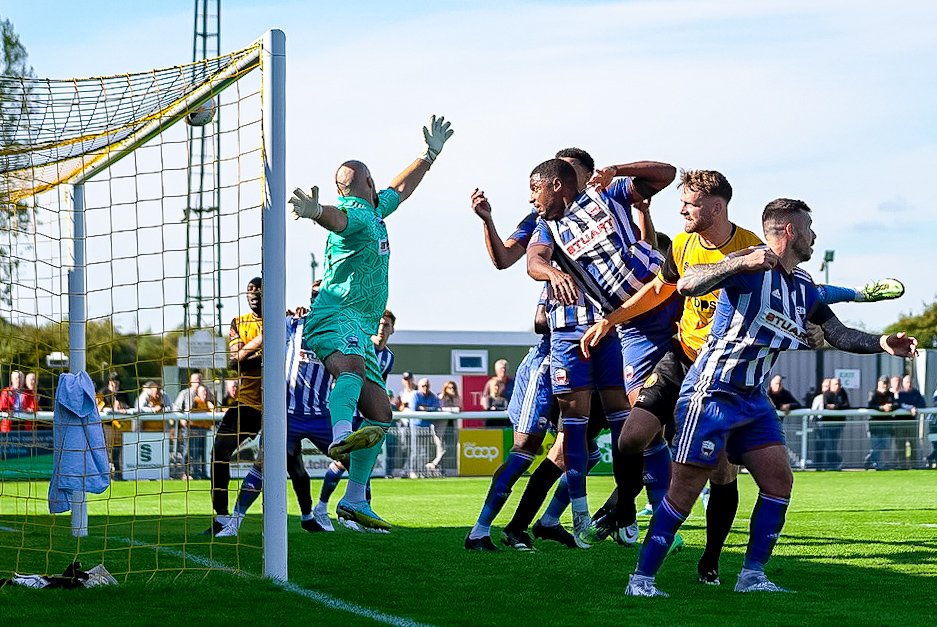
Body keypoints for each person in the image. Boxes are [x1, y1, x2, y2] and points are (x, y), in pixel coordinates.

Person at [624, 198, 917, 597]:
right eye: (810, 229)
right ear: (792, 231)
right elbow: (689, 282)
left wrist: (884, 342)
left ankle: (752, 576)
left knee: (779, 482)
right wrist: (736, 263)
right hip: (711, 392)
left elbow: (838, 333)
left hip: (753, 398)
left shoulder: (802, 286)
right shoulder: (750, 265)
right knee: (685, 490)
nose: (815, 237)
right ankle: (641, 580)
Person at [289, 114, 453, 531]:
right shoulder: (354, 212)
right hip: (335, 314)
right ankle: (341, 431)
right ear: (361, 183)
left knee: (381, 414)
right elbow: (336, 218)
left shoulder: (375, 208)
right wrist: (314, 211)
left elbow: (401, 188)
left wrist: (428, 155)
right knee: (352, 371)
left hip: (359, 326)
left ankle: (356, 498)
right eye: (369, 176)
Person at [525, 155, 675, 543]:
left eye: (534, 188)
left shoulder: (606, 193)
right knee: (634, 428)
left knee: (641, 427)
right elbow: (531, 261)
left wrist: (619, 170)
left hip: (661, 301)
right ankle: (624, 512)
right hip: (623, 327)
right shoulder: (546, 226)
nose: (530, 199)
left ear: (556, 183)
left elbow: (666, 174)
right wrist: (553, 272)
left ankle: (629, 512)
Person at [219, 291, 339, 537]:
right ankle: (235, 521)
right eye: (314, 296)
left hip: (321, 415)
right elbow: (241, 356)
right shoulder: (292, 325)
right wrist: (244, 351)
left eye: (322, 297)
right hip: (288, 415)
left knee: (353, 458)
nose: (317, 301)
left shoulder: (337, 331)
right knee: (270, 466)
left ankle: (323, 508)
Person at [317, 308, 398, 532]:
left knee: (367, 448)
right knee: (345, 460)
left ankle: (357, 504)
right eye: (380, 323)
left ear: (393, 329)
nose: (382, 328)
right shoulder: (358, 342)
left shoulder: (389, 357)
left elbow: (377, 382)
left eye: (386, 325)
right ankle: (322, 508)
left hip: (365, 413)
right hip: (346, 410)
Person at [205, 277, 264, 535]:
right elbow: (235, 362)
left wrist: (252, 356)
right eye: (249, 291)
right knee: (219, 451)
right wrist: (264, 351)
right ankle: (221, 517)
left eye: (258, 290)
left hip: (282, 406)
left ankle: (313, 513)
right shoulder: (238, 323)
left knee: (293, 465)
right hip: (249, 404)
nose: (253, 295)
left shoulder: (284, 319)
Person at [816, 377, 850, 469]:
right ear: (830, 385)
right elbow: (826, 406)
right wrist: (837, 407)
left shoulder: (843, 393)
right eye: (835, 384)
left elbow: (846, 405)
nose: (838, 386)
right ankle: (835, 462)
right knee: (829, 446)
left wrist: (836, 407)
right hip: (827, 425)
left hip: (838, 425)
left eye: (839, 384)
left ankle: (832, 465)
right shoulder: (826, 394)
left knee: (833, 446)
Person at [865, 376, 897, 470]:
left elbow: (896, 404)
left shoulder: (891, 394)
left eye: (886, 383)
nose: (884, 385)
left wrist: (890, 407)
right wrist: (882, 408)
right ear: (878, 383)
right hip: (875, 425)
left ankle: (869, 460)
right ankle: (876, 464)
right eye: (883, 383)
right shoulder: (873, 394)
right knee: (876, 445)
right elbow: (870, 405)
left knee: (885, 444)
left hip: (887, 424)